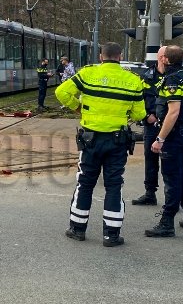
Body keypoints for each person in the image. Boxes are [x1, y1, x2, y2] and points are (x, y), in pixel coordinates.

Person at [56, 42, 146, 246]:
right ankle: (111, 235)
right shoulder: (133, 81)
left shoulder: (87, 74)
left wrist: (78, 108)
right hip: (117, 141)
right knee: (114, 185)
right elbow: (140, 113)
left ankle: (77, 229)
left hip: (90, 140)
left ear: (101, 56)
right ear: (120, 56)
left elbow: (62, 92)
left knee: (85, 183)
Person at [145, 45, 183, 237]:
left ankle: (167, 222)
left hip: (174, 133)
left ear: (167, 60)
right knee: (179, 173)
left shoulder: (172, 79)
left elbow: (173, 111)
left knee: (171, 177)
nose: (160, 59)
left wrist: (160, 138)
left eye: (162, 57)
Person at [132, 57, 162, 205]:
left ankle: (177, 199)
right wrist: (146, 116)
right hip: (151, 125)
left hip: (170, 126)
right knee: (150, 160)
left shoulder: (175, 77)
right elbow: (138, 98)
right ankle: (150, 193)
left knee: (173, 165)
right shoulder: (146, 76)